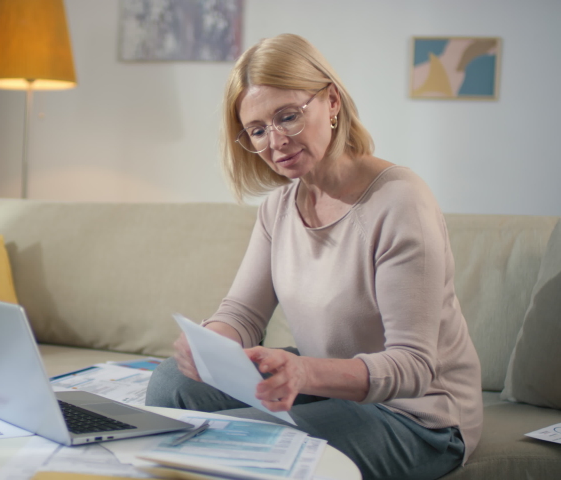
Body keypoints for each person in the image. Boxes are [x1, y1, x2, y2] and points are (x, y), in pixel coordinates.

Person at [145, 34, 483, 480]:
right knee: (173, 383)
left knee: (257, 444)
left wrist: (303, 372)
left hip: (417, 416)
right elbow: (242, 313)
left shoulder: (400, 203)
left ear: (332, 102)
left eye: (288, 117)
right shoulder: (279, 207)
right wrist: (209, 345)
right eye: (258, 130)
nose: (276, 141)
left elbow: (414, 367)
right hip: (331, 388)